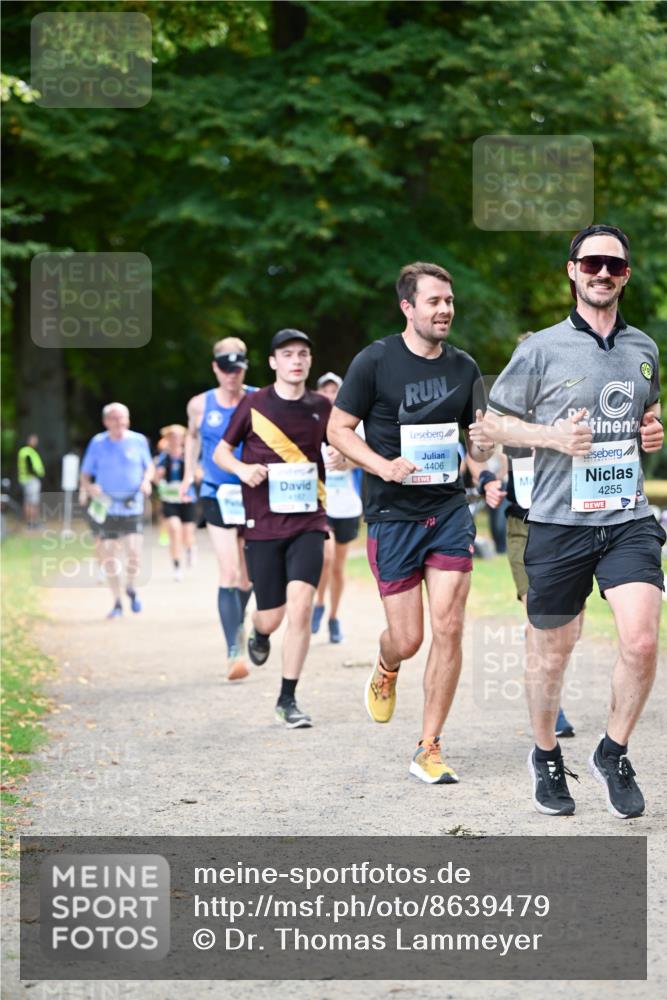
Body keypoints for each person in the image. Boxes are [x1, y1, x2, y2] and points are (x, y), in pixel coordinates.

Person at [479, 224, 664, 818]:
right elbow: (490, 426)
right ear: (572, 271)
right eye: (591, 264)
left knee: (640, 638)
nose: (602, 273)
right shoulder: (541, 349)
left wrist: (653, 430)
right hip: (558, 524)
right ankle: (545, 753)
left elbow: (647, 411)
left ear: (626, 274)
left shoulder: (644, 348)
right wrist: (550, 435)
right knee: (550, 652)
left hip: (627, 517)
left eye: (613, 264)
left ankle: (612, 751)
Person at [328, 261, 495, 783]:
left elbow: (478, 442)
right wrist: (382, 466)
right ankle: (386, 666)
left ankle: (429, 745)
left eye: (449, 301)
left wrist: (484, 456)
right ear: (408, 307)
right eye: (434, 302)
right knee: (408, 639)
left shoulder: (465, 368)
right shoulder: (374, 361)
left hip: (447, 510)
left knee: (449, 626)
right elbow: (338, 429)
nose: (444, 309)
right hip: (391, 514)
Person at [214, 329, 344, 728]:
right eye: (288, 354)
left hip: (309, 520)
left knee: (302, 607)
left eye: (303, 354)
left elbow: (347, 449)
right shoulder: (253, 404)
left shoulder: (322, 406)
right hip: (263, 525)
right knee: (272, 616)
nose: (297, 361)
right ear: (273, 362)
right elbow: (221, 451)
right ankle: (257, 631)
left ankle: (288, 699)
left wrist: (343, 457)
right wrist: (241, 468)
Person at [182, 338, 255, 682]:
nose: (232, 376)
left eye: (237, 369)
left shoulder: (259, 399)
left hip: (254, 493)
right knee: (228, 572)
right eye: (226, 370)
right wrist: (186, 475)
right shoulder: (199, 405)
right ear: (215, 368)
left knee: (247, 576)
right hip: (215, 493)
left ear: (245, 367)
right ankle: (233, 650)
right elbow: (192, 439)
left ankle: (239, 625)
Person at [79, 403, 153, 619]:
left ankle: (130, 586)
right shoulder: (98, 443)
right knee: (109, 556)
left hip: (132, 505)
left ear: (128, 420)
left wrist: (147, 481)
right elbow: (85, 474)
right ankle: (117, 601)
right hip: (107, 506)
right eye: (113, 418)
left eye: (122, 418)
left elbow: (148, 467)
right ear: (105, 421)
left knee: (133, 553)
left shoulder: (138, 441)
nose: (118, 422)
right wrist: (90, 487)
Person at [311, 372, 363, 643]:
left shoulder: (353, 423)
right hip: (320, 503)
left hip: (347, 504)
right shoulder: (310, 420)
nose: (330, 395)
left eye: (335, 391)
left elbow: (364, 458)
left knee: (338, 566)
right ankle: (318, 603)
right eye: (325, 390)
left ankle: (333, 616)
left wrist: (345, 460)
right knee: (326, 558)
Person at [154, 424, 197, 580]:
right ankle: (177, 566)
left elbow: (198, 475)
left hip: (186, 499)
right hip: (170, 499)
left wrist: (195, 475)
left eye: (178, 436)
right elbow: (155, 478)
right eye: (172, 436)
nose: (175, 439)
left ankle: (191, 549)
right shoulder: (163, 458)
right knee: (174, 530)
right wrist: (158, 476)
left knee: (187, 535)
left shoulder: (189, 456)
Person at [17, 434, 45, 528]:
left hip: (26, 479)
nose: (36, 442)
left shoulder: (26, 451)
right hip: (30, 479)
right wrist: (37, 474)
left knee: (28, 501)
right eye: (34, 440)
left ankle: (30, 522)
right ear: (29, 441)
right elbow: (30, 466)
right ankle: (32, 522)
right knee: (32, 502)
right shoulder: (27, 452)